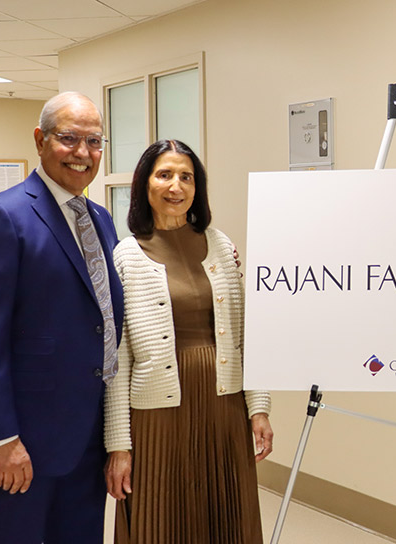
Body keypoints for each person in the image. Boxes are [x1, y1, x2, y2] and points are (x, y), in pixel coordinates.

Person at [0, 91, 123, 543]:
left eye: (94, 142)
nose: (83, 153)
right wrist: (2, 439)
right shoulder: (2, 218)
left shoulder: (101, 220)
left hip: (87, 435)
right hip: (24, 440)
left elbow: (103, 317)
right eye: (69, 139)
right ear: (40, 140)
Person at [103, 139, 273, 543]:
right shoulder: (125, 256)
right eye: (164, 175)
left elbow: (247, 332)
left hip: (223, 406)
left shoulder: (221, 244)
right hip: (157, 415)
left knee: (225, 515)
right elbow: (118, 357)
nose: (176, 186)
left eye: (186, 177)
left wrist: (259, 407)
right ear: (145, 184)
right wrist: (118, 446)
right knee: (160, 518)